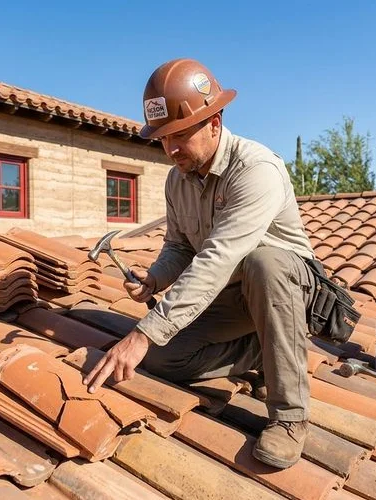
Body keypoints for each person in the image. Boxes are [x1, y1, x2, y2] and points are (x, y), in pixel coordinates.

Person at [83, 58, 318, 469]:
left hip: (284, 293)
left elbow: (218, 259)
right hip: (229, 298)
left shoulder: (256, 170)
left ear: (214, 121)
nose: (171, 149)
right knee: (158, 359)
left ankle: (290, 416)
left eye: (180, 135)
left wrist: (142, 334)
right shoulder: (178, 179)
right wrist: (154, 279)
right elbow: (180, 247)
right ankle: (260, 353)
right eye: (162, 138)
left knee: (265, 263)